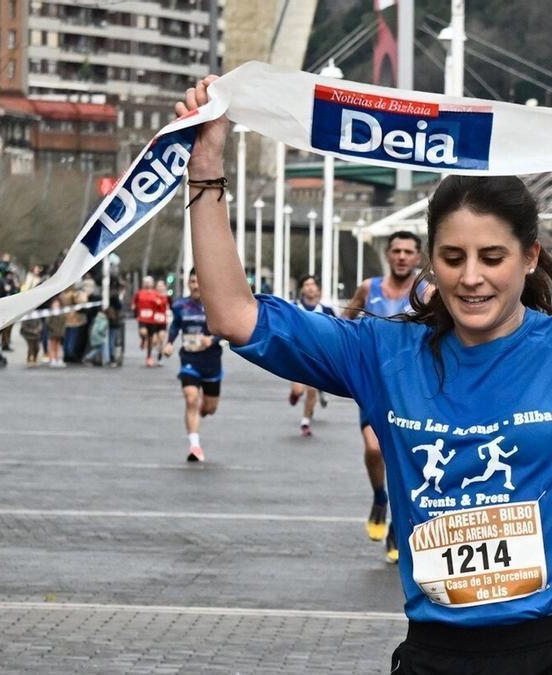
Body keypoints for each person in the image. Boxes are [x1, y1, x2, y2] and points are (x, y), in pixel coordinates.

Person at [180, 74, 552, 671]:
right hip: (435, 652)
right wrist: (205, 166)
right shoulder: (383, 353)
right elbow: (232, 313)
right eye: (453, 258)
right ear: (430, 258)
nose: (472, 277)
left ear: (529, 257)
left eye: (493, 257)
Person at [344, 230, 425, 563]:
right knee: (375, 448)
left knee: (406, 462)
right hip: (375, 385)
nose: (402, 256)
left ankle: (396, 525)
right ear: (388, 255)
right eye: (397, 251)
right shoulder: (368, 288)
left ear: (418, 258)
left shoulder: (426, 292)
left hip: (413, 391)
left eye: (409, 251)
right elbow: (343, 323)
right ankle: (380, 496)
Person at [162, 269, 223, 462]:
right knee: (190, 398)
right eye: (192, 282)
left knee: (210, 409)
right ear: (188, 284)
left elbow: (226, 329)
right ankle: (195, 446)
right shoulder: (180, 305)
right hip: (189, 359)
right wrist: (170, 342)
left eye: (199, 282)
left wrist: (212, 339)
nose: (196, 286)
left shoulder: (215, 306)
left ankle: (204, 407)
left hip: (211, 361)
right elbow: (175, 325)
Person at [287, 275, 335, 437]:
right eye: (306, 284)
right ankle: (295, 394)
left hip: (317, 356)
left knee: (312, 390)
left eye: (313, 284)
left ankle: (305, 422)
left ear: (319, 289)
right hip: (297, 355)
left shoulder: (326, 311)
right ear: (302, 289)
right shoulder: (294, 307)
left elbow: (335, 333)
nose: (310, 287)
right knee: (299, 390)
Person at [133, 276, 170, 367]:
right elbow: (134, 303)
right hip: (143, 318)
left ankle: (155, 357)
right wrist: (135, 309)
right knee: (144, 333)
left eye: (149, 282)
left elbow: (165, 304)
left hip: (156, 320)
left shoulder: (157, 294)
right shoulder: (139, 293)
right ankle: (143, 339)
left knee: (158, 339)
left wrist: (162, 302)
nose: (148, 284)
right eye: (146, 282)